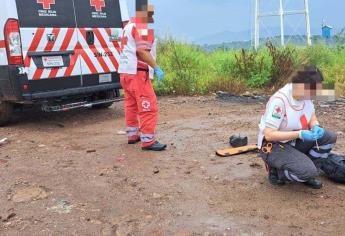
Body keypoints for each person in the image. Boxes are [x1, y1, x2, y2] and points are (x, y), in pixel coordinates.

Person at [258, 65, 338, 189]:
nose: (314, 95)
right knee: (306, 170)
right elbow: (269, 134)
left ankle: (307, 172)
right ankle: (278, 173)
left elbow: (311, 116)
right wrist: (300, 134)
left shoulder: (306, 97)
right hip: (272, 146)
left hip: (294, 142)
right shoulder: (279, 101)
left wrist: (316, 126)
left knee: (329, 137)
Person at [118, 0, 167, 151]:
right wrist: (156, 67)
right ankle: (148, 140)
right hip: (138, 73)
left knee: (131, 105)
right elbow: (142, 51)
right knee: (148, 106)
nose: (151, 19)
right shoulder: (141, 27)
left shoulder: (127, 27)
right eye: (150, 15)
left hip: (125, 72)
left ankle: (133, 135)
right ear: (144, 14)